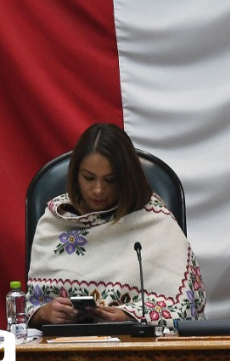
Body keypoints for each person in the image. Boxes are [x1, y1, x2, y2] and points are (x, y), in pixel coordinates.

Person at [27, 123, 205, 329]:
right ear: (75, 175)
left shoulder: (155, 221)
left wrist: (129, 316)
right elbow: (28, 311)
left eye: (110, 180)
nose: (98, 190)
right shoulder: (55, 221)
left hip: (138, 351)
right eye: (89, 178)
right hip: (63, 351)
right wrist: (44, 313)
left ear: (126, 178)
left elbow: (186, 306)